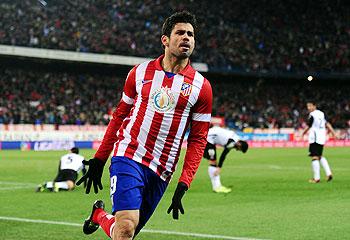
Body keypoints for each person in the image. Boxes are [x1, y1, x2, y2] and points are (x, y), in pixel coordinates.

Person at [77, 11, 212, 240]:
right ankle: (105, 216)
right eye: (180, 32)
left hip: (162, 168)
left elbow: (198, 139)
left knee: (126, 233)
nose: (186, 38)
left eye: (190, 34)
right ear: (165, 40)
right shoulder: (139, 73)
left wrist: (184, 182)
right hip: (130, 155)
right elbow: (119, 116)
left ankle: (99, 215)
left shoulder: (202, 87)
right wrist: (100, 158)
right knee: (126, 228)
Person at [203, 125, 248, 193]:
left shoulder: (236, 139)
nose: (237, 150)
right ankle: (217, 187)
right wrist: (219, 167)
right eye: (239, 149)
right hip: (208, 139)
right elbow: (224, 154)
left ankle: (217, 186)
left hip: (211, 138)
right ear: (239, 145)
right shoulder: (232, 142)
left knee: (213, 163)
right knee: (213, 163)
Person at [301, 101, 337, 183]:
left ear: (314, 106)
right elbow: (327, 124)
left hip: (315, 138)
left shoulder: (312, 115)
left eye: (310, 106)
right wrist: (333, 133)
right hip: (321, 137)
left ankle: (316, 178)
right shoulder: (321, 114)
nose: (308, 108)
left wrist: (302, 134)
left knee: (314, 157)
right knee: (320, 156)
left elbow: (308, 126)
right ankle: (329, 173)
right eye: (307, 106)